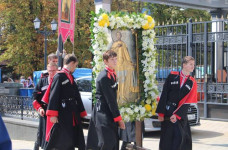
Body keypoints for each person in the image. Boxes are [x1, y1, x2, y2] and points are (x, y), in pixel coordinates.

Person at [43, 54, 87, 150]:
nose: (75, 68)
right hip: (63, 113)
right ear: (72, 63)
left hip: (71, 112)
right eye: (75, 65)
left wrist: (81, 111)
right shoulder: (59, 76)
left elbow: (77, 96)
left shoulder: (70, 76)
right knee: (61, 140)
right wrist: (53, 114)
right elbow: (54, 96)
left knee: (70, 138)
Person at [156, 56, 198, 150]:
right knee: (166, 140)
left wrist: (177, 115)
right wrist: (161, 113)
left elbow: (189, 101)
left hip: (180, 115)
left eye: (193, 64)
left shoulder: (192, 82)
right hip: (167, 113)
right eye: (190, 64)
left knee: (181, 140)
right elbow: (164, 94)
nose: (193, 66)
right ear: (184, 65)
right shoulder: (172, 76)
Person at [86, 50, 125, 150]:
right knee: (106, 142)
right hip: (102, 112)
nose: (115, 61)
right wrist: (119, 119)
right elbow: (110, 100)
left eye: (116, 59)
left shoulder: (112, 74)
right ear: (105, 61)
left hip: (108, 112)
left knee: (112, 142)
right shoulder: (104, 77)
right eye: (112, 59)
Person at [32, 62, 58, 150]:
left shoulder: (59, 81)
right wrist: (39, 108)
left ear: (57, 70)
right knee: (42, 133)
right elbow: (35, 96)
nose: (51, 73)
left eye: (53, 71)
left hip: (56, 112)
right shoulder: (42, 81)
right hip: (45, 111)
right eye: (50, 71)